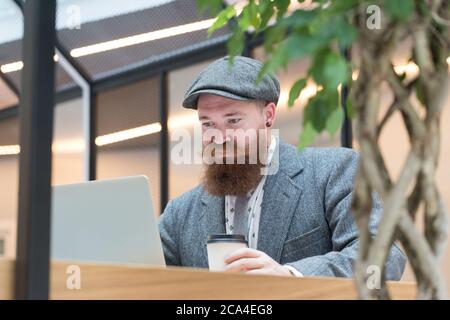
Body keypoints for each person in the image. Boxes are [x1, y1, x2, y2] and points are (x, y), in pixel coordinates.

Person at [159, 56, 406, 279]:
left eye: (233, 121)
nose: (219, 137)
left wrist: (290, 275)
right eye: (207, 123)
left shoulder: (334, 172)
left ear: (269, 115)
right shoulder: (181, 213)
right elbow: (137, 273)